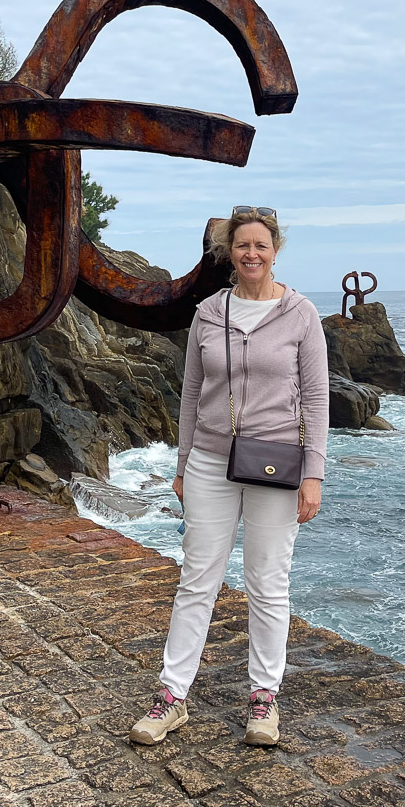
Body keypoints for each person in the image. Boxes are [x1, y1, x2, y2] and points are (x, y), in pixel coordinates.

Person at [129, 206, 329, 747]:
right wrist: (182, 464)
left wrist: (314, 476)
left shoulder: (301, 314)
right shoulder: (207, 314)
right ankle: (172, 696)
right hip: (210, 465)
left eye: (261, 246)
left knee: (268, 584)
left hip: (276, 464)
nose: (251, 255)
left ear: (275, 249)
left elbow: (315, 400)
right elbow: (191, 394)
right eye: (242, 246)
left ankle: (264, 700)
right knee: (198, 580)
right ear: (229, 253)